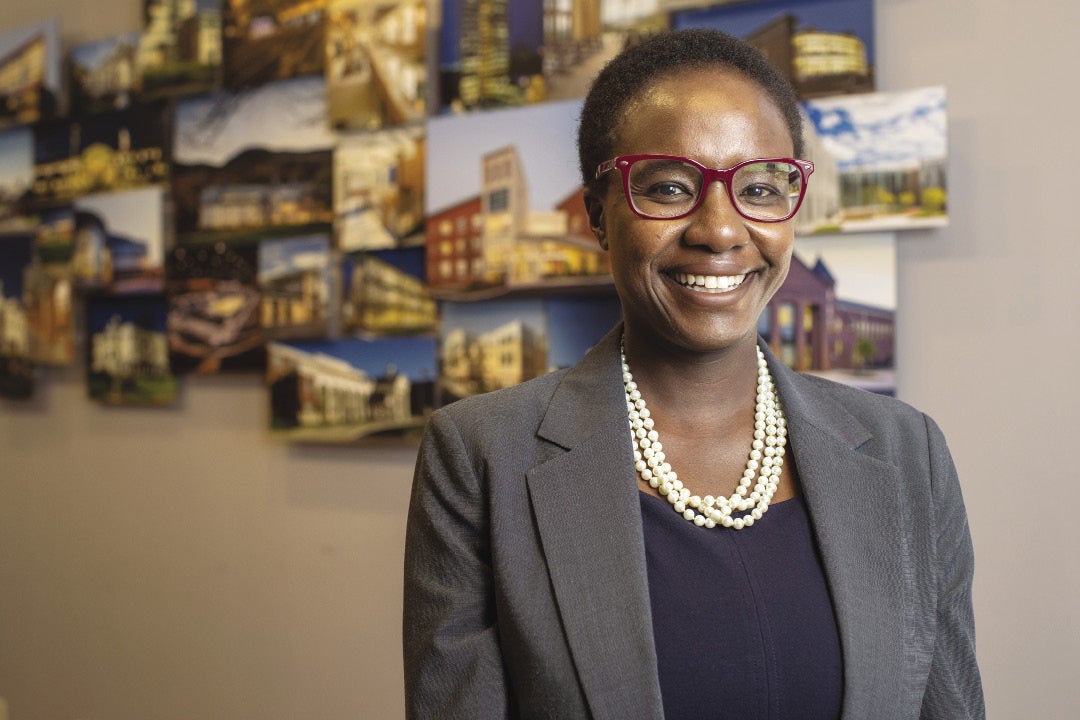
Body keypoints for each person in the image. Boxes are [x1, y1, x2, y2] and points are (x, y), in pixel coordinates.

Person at [403, 28, 984, 720]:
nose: (720, 230)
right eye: (671, 187)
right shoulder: (481, 456)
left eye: (761, 188)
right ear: (598, 214)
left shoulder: (907, 453)